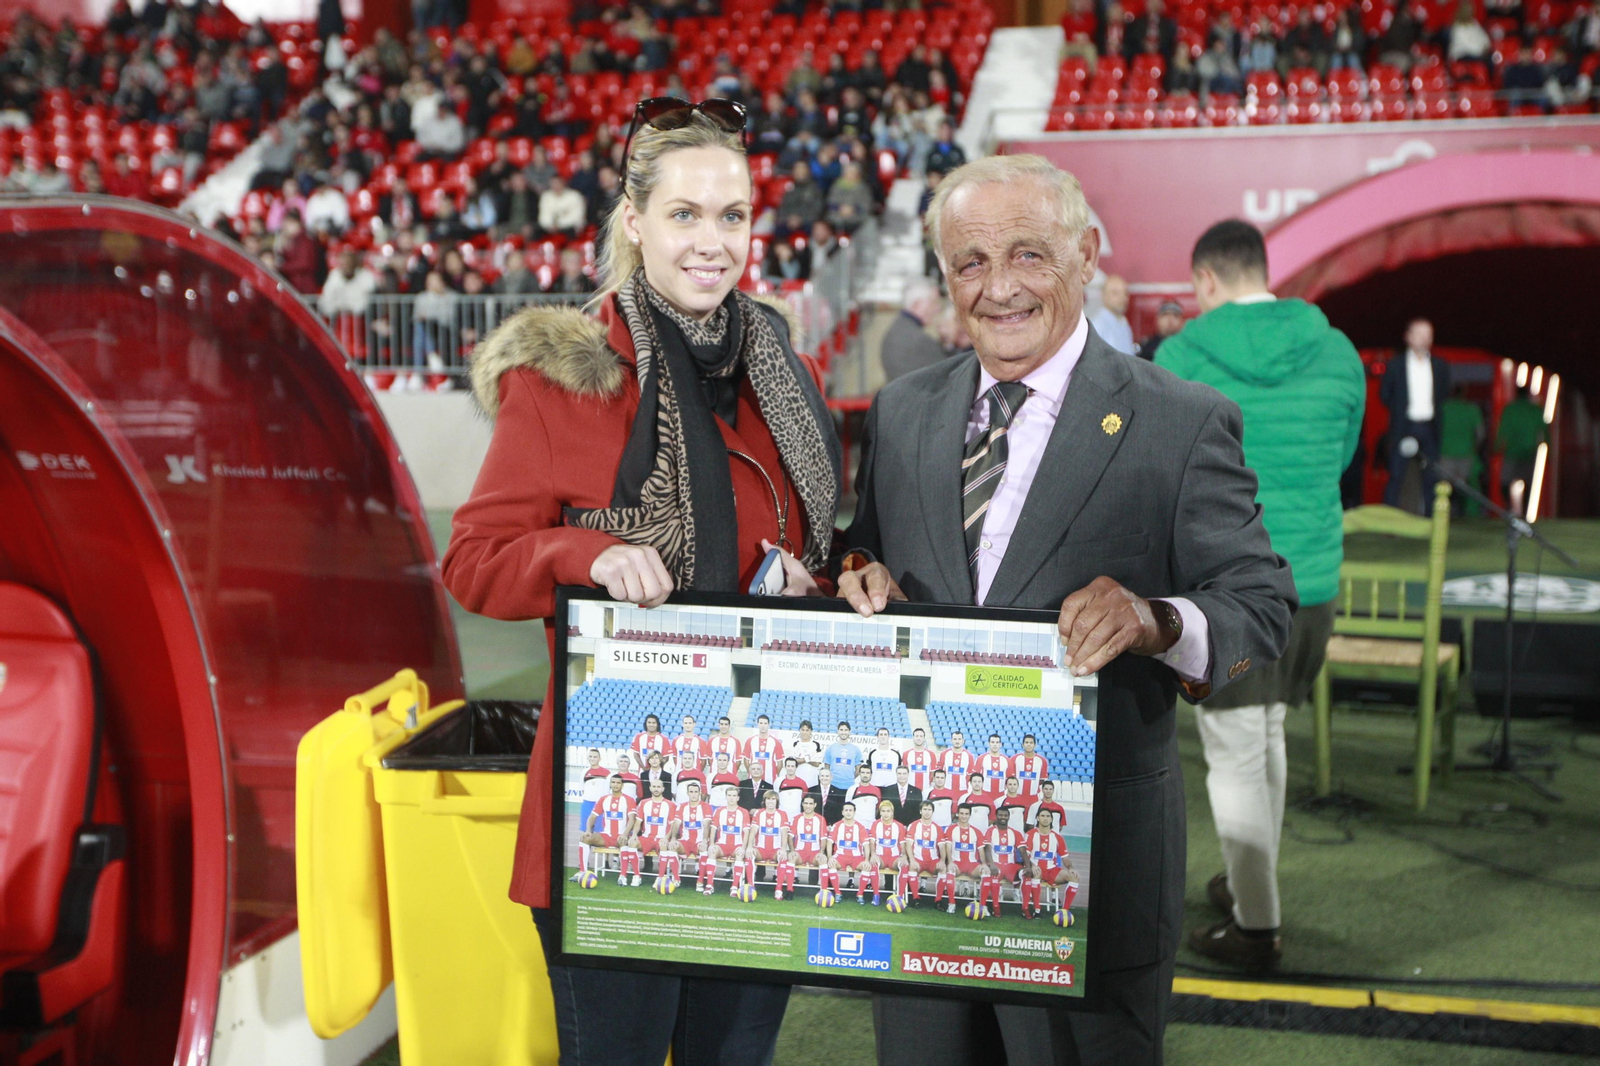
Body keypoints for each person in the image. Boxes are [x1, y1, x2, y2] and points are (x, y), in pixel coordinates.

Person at [839, 154, 1294, 1065]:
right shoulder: (902, 411)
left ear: (1086, 255)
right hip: (916, 866)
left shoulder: (1183, 420)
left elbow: (1261, 608)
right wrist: (858, 574)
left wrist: (1156, 619)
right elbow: (870, 552)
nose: (999, 288)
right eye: (970, 263)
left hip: (1091, 880)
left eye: (1029, 256)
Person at [442, 103, 843, 1066]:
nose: (714, 243)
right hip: (612, 821)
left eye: (734, 216)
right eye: (685, 215)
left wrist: (831, 578)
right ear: (633, 222)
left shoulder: (782, 375)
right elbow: (475, 561)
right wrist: (583, 557)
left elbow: (821, 541)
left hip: (762, 811)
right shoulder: (561, 381)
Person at [1156, 218, 1364, 969]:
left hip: (1229, 587)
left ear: (1205, 281)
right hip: (1313, 582)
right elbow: (1342, 455)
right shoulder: (1337, 349)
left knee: (1238, 752)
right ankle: (1253, 887)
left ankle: (1256, 928)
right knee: (1268, 735)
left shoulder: (1181, 354)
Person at [1379, 318, 1451, 512]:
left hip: (1429, 426)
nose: (1424, 339)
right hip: (1404, 426)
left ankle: (1430, 522)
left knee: (1431, 476)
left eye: (1428, 335)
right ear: (1408, 337)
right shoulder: (1396, 365)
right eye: (1419, 334)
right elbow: (1385, 394)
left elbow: (1444, 393)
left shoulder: (1440, 366)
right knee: (1396, 475)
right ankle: (1388, 521)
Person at [881, 278, 946, 383]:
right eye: (933, 302)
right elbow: (949, 375)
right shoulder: (919, 340)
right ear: (917, 304)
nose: (937, 308)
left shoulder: (895, 331)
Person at [1495, 384, 1547, 509]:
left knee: (1505, 482)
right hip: (1529, 451)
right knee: (1528, 482)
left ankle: (1509, 506)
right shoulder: (1536, 410)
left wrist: (1496, 447)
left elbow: (1503, 430)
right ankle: (1524, 509)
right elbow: (1544, 430)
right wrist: (1547, 447)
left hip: (1511, 451)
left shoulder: (1510, 409)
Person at [1438, 385, 1486, 513]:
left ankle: (1446, 511)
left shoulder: (1444, 408)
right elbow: (1481, 434)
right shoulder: (1472, 409)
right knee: (1464, 485)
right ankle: (1462, 512)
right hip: (1466, 452)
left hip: (1445, 452)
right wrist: (1476, 448)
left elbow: (1435, 429)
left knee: (1445, 485)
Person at [1090, 273, 1135, 354]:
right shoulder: (1097, 326)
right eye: (1115, 293)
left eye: (1125, 293)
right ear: (1103, 296)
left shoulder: (1123, 323)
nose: (1123, 298)